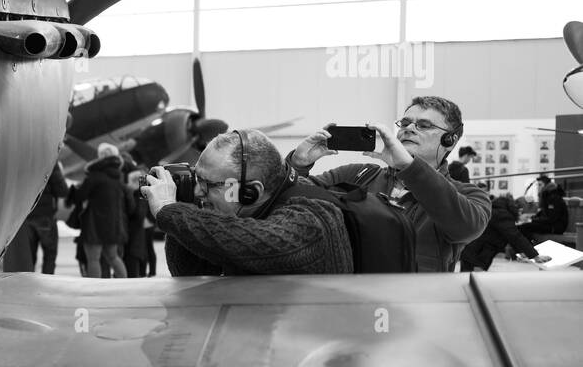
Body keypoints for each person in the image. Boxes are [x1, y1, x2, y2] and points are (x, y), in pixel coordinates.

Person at [287, 96, 491, 272]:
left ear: (450, 140)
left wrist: (409, 167)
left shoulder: (469, 196)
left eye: (423, 125)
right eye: (405, 123)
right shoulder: (355, 175)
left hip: (419, 302)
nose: (409, 129)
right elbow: (288, 201)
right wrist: (297, 165)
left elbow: (466, 228)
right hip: (352, 297)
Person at [141, 129, 353, 276]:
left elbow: (256, 241)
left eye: (208, 184)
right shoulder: (254, 208)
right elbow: (192, 274)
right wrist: (185, 203)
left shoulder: (310, 221)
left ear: (251, 192)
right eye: (198, 179)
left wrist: (170, 210)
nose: (198, 191)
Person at [69, 142, 128, 278]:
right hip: (113, 224)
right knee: (113, 257)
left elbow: (80, 196)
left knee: (93, 259)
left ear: (100, 156)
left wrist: (74, 190)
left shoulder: (95, 175)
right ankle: (125, 284)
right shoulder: (118, 176)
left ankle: (93, 288)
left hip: (94, 224)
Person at [460, 185, 549, 270]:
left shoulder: (494, 210)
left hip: (472, 249)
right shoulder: (502, 215)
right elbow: (515, 236)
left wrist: (521, 252)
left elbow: (510, 236)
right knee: (473, 276)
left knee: (468, 276)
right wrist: (535, 256)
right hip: (478, 253)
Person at [3, 163, 68, 273]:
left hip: (26, 216)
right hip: (45, 216)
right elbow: (63, 190)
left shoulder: (24, 161)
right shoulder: (50, 160)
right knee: (50, 255)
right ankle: (47, 280)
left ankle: (30, 281)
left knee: (29, 256)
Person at [519, 174, 569, 244]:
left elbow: (551, 218)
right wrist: (531, 219)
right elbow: (543, 214)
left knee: (523, 227)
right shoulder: (547, 196)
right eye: (537, 185)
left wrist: (532, 220)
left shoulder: (554, 198)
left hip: (556, 227)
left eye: (540, 185)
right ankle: (530, 247)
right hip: (551, 224)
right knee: (522, 226)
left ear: (546, 185)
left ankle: (530, 248)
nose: (538, 187)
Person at [123, 165, 153, 277]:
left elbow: (138, 214)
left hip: (133, 237)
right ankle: (143, 273)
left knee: (133, 266)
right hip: (135, 237)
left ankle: (145, 273)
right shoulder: (140, 194)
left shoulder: (138, 194)